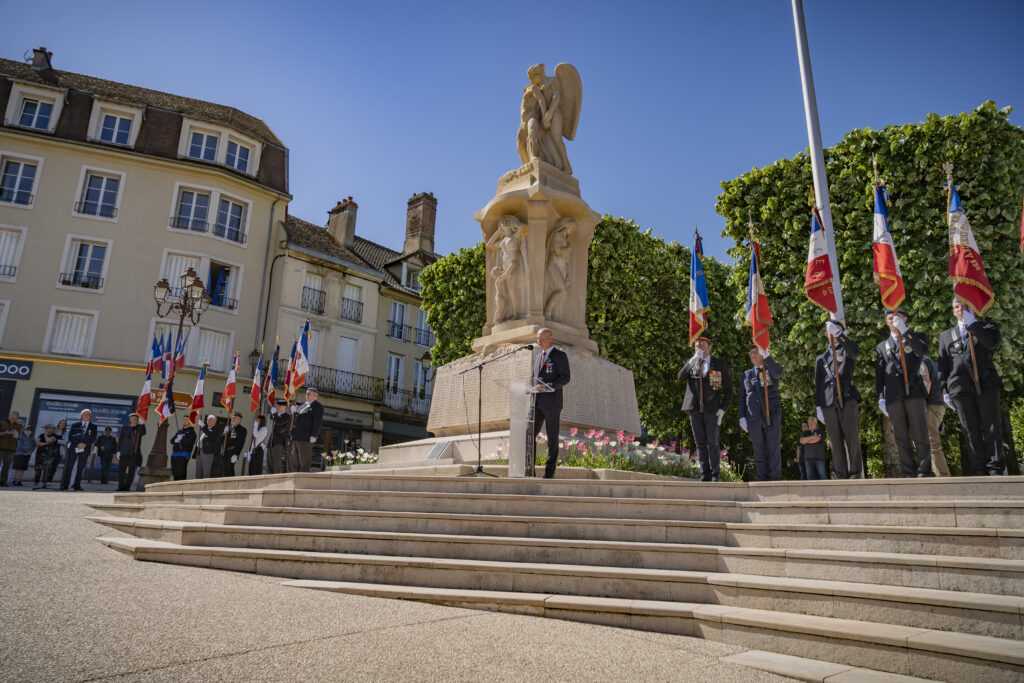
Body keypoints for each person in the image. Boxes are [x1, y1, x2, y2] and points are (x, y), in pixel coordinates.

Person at [937, 299, 1004, 476]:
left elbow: (990, 344)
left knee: (992, 427)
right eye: (957, 307)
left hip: (986, 384)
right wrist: (944, 391)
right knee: (970, 430)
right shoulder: (946, 336)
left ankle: (996, 468)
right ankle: (979, 469)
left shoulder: (988, 327)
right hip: (959, 387)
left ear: (973, 307)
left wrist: (973, 324)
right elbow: (943, 366)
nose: (960, 309)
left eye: (965, 306)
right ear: (953, 311)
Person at [875, 309, 932, 477]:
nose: (894, 321)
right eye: (890, 318)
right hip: (893, 396)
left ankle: (924, 470)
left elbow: (921, 351)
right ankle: (908, 471)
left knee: (920, 434)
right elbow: (880, 375)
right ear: (886, 321)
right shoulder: (881, 346)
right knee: (901, 437)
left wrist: (906, 332)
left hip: (914, 392)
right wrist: (881, 397)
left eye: (897, 318)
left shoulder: (917, 336)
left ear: (905, 319)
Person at [677, 336, 732, 482]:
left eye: (702, 345)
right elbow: (680, 377)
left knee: (713, 441)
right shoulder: (692, 363)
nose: (699, 348)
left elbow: (728, 390)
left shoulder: (718, 364)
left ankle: (715, 474)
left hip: (712, 409)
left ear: (709, 347)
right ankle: (704, 474)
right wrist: (693, 359)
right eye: (696, 346)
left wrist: (723, 408)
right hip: (694, 408)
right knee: (699, 443)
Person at [814, 320, 863, 479]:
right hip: (828, 402)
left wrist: (839, 335)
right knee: (835, 440)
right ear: (826, 334)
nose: (834, 333)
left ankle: (855, 473)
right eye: (831, 331)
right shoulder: (821, 358)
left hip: (848, 398)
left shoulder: (847, 350)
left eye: (838, 330)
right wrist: (818, 406)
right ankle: (839, 474)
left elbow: (854, 352)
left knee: (852, 438)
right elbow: (818, 384)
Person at [738, 344, 783, 481]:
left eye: (756, 352)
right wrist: (742, 417)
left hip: (772, 413)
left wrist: (768, 356)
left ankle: (774, 477)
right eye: (751, 353)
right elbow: (742, 397)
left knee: (773, 446)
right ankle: (761, 476)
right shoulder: (746, 374)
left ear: (762, 354)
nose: (753, 355)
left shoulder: (770, 368)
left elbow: (778, 374)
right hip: (753, 417)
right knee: (758, 448)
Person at [532, 327, 571, 478]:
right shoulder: (537, 358)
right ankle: (530, 469)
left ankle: (549, 472)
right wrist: (532, 386)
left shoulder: (559, 356)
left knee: (552, 438)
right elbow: (533, 377)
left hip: (552, 403)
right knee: (529, 435)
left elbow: (565, 377)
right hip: (536, 402)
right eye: (537, 338)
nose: (539, 341)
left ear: (551, 338)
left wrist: (549, 387)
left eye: (541, 338)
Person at [919, 355, 951, 476]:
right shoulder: (927, 360)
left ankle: (943, 478)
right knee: (931, 444)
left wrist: (921, 405)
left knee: (932, 445)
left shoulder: (919, 360)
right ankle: (939, 476)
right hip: (936, 404)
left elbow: (926, 382)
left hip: (929, 405)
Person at [289, 388, 323, 473]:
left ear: (315, 396)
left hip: (306, 438)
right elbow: (296, 420)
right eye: (306, 393)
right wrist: (294, 412)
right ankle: (293, 478)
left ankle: (302, 481)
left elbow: (317, 422)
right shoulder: (304, 405)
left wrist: (314, 435)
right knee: (294, 461)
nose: (306, 395)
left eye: (309, 394)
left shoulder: (317, 406)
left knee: (304, 461)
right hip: (296, 436)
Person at [62, 409, 98, 491]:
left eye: (88, 414)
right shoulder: (75, 425)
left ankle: (77, 485)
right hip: (74, 448)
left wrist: (85, 444)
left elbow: (93, 438)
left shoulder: (93, 426)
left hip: (85, 449)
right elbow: (71, 436)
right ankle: (65, 485)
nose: (86, 415)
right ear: (81, 416)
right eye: (84, 414)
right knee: (69, 467)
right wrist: (78, 444)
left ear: (90, 416)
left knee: (80, 468)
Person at [115, 413, 146, 491]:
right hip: (124, 452)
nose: (134, 420)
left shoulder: (139, 428)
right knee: (121, 470)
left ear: (137, 420)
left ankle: (127, 486)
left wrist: (142, 424)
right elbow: (120, 440)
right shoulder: (125, 428)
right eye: (132, 418)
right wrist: (118, 451)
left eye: (135, 419)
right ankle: (121, 486)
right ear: (129, 419)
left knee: (131, 471)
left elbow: (143, 433)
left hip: (134, 453)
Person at [800, 416, 829, 480]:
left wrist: (807, 440)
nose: (810, 424)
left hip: (819, 459)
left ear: (816, 423)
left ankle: (826, 489)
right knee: (810, 478)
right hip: (808, 460)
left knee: (823, 477)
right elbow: (802, 441)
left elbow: (817, 439)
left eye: (812, 423)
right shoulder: (805, 432)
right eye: (809, 423)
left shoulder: (820, 431)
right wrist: (812, 437)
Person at [267, 400, 290, 474]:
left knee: (276, 462)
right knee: (269, 461)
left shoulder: (286, 416)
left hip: (278, 441)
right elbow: (273, 417)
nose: (278, 407)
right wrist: (274, 414)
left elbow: (279, 422)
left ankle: (277, 478)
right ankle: (271, 477)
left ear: (285, 407)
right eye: (277, 406)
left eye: (280, 406)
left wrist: (274, 414)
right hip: (272, 440)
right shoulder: (277, 415)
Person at [222, 412, 247, 477]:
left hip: (232, 453)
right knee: (223, 471)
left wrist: (236, 454)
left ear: (239, 420)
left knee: (229, 469)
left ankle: (232, 485)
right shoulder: (229, 428)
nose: (233, 419)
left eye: (235, 418)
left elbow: (241, 443)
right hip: (225, 453)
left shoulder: (242, 430)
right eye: (233, 417)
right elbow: (221, 440)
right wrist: (224, 433)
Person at [0, 411, 21, 486]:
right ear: (9, 417)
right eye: (12, 417)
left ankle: (3, 481)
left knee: (7, 466)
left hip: (11, 448)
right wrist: (5, 433)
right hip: (1, 447)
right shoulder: (2, 423)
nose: (13, 419)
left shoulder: (19, 426)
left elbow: (19, 437)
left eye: (15, 418)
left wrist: (16, 435)